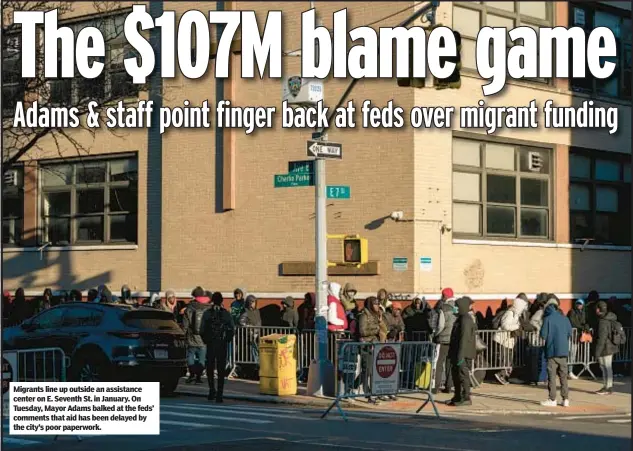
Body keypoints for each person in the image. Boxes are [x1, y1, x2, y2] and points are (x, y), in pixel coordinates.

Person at [200, 292, 234, 403]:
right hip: (222, 344)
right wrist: (227, 339)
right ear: (222, 300)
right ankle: (220, 393)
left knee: (210, 368)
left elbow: (202, 330)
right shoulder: (226, 314)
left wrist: (206, 340)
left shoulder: (207, 313)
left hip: (210, 344)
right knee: (220, 369)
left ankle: (211, 390)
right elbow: (231, 329)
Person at [539, 300, 572, 407]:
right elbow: (570, 333)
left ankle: (552, 399)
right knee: (563, 376)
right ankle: (565, 399)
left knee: (551, 377)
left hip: (552, 351)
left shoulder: (547, 319)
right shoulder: (565, 318)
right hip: (563, 351)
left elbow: (543, 335)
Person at [492, 294, 529, 385]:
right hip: (502, 340)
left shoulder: (516, 314)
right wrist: (517, 326)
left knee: (508, 359)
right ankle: (500, 374)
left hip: (508, 340)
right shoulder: (510, 313)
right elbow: (505, 325)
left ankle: (503, 375)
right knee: (505, 359)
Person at [358, 296, 388, 404]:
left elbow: (385, 329)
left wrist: (380, 320)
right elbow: (362, 331)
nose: (377, 306)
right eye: (375, 304)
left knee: (374, 370)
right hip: (366, 344)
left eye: (378, 304)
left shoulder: (377, 315)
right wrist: (375, 330)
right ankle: (368, 393)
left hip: (376, 344)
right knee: (367, 369)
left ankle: (374, 392)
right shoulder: (363, 316)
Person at [448, 297, 476, 407]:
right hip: (457, 352)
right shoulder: (460, 318)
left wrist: (460, 356)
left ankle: (466, 397)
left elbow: (464, 338)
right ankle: (457, 396)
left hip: (463, 354)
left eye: (457, 307)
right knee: (455, 375)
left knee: (463, 376)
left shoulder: (466, 320)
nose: (455, 308)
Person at [182, 287, 212, 384]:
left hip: (191, 337)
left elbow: (185, 325)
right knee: (202, 359)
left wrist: (183, 335)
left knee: (190, 356)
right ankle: (198, 377)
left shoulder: (189, 308)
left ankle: (191, 375)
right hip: (203, 339)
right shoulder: (208, 308)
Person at [434, 295, 457, 394]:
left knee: (439, 363)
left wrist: (436, 334)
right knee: (449, 363)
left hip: (443, 339)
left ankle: (436, 387)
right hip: (453, 339)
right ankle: (449, 386)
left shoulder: (444, 308)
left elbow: (440, 325)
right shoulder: (457, 308)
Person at [594, 301, 618, 395]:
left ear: (599, 309)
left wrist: (597, 352)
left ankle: (607, 387)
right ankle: (607, 386)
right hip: (610, 346)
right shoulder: (610, 318)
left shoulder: (602, 321)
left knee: (605, 367)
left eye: (596, 308)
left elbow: (602, 338)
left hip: (605, 347)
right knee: (607, 367)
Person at [567, 299, 588, 380]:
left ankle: (570, 371)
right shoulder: (572, 312)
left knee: (574, 353)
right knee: (571, 353)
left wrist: (586, 326)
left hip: (578, 335)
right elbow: (573, 322)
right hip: (572, 335)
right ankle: (569, 371)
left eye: (580, 304)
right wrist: (582, 327)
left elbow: (584, 322)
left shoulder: (583, 313)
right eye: (578, 304)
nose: (579, 305)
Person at [239, 295, 262, 369]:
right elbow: (241, 322)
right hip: (250, 335)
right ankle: (256, 365)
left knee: (258, 350)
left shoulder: (257, 311)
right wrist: (250, 328)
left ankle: (259, 365)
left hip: (258, 334)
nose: (253, 304)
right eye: (252, 302)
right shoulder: (245, 311)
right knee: (253, 350)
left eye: (254, 302)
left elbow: (259, 321)